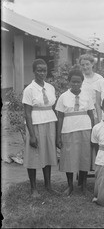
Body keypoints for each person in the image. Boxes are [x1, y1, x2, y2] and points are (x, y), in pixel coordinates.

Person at [55, 69, 95, 195]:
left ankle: (83, 185)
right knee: (69, 158)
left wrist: (93, 132)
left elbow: (91, 115)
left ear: (82, 82)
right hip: (68, 129)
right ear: (69, 82)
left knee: (84, 157)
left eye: (78, 82)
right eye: (73, 82)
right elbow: (60, 117)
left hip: (85, 128)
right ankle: (70, 185)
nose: (76, 84)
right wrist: (58, 135)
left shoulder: (87, 96)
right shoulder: (63, 97)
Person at [22, 59, 58, 198]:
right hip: (35, 124)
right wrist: (31, 134)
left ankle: (48, 185)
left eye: (44, 70)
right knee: (33, 155)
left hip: (50, 122)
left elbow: (52, 107)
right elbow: (27, 113)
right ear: (34, 71)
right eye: (39, 70)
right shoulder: (29, 90)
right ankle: (33, 188)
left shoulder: (50, 87)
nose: (42, 73)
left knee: (48, 153)